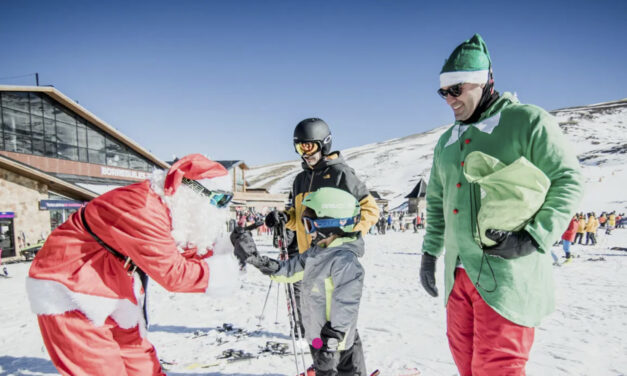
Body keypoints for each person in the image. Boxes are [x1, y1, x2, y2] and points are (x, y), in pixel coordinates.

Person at [419, 34, 584, 376]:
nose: (449, 99)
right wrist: (429, 253)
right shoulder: (446, 141)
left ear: (484, 82)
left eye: (456, 89)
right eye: (443, 92)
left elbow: (568, 180)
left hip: (506, 272)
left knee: (498, 368)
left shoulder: (527, 121)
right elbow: (436, 200)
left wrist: (535, 237)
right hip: (458, 276)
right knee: (466, 366)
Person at [26, 154, 239, 376]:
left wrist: (227, 251)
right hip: (70, 283)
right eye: (218, 199)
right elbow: (173, 273)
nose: (221, 209)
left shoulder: (168, 206)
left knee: (140, 360)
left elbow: (178, 250)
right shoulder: (142, 207)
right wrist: (224, 269)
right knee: (99, 367)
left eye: (226, 200)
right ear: (191, 191)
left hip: (113, 279)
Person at [264, 118, 379, 343]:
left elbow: (371, 210)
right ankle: (321, 363)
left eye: (310, 146)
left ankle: (349, 366)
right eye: (300, 147)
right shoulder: (300, 179)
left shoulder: (341, 174)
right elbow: (299, 218)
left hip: (334, 258)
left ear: (324, 144)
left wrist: (346, 235)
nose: (305, 153)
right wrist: (283, 218)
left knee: (338, 320)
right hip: (309, 258)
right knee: (315, 322)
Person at [250, 187, 368, 375]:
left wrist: (332, 344)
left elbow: (346, 305)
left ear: (329, 224)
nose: (306, 231)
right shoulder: (317, 252)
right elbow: (288, 270)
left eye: (309, 224)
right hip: (316, 338)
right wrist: (256, 260)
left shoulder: (345, 261)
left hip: (338, 344)